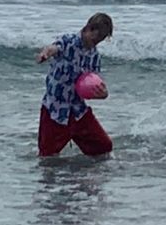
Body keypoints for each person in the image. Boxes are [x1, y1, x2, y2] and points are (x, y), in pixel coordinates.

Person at [36, 12, 113, 158]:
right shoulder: (68, 41)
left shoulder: (94, 56)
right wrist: (45, 54)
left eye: (101, 40)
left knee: (104, 147)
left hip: (78, 110)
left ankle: (81, 175)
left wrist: (103, 94)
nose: (96, 42)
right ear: (88, 28)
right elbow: (53, 48)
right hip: (55, 110)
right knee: (47, 157)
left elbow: (95, 83)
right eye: (96, 37)